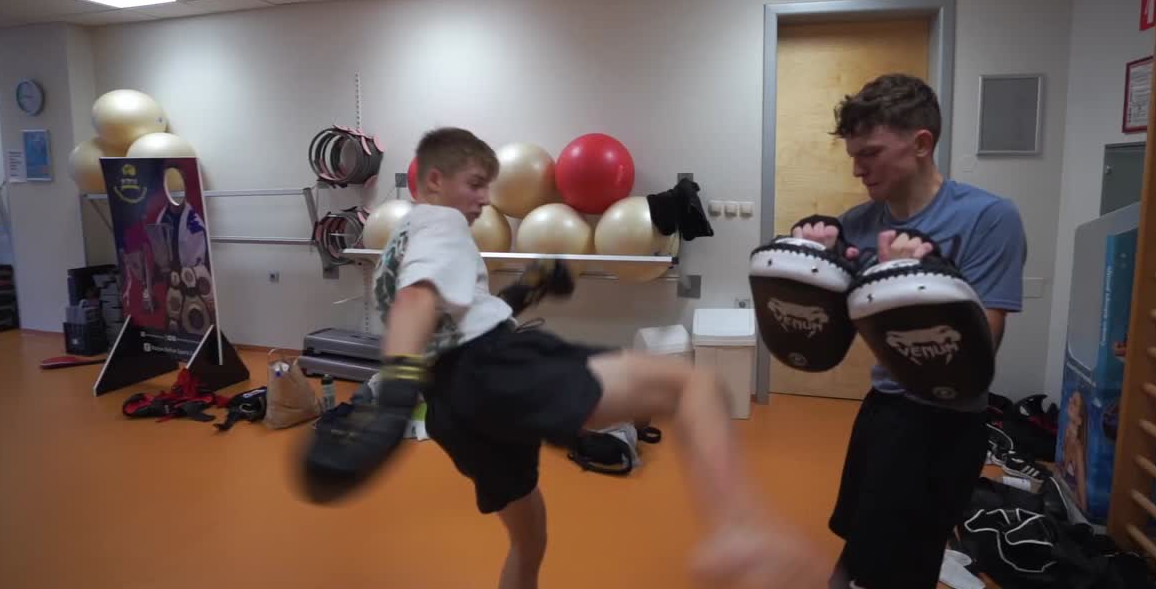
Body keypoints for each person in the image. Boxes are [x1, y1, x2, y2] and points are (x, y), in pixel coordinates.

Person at [303, 127, 825, 589]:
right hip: (494, 372)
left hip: (454, 411)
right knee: (695, 387)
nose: (485, 199)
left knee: (528, 544)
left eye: (489, 185)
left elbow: (445, 318)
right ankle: (737, 529)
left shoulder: (402, 238)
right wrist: (394, 393)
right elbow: (420, 300)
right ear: (434, 181)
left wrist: (523, 293)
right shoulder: (440, 222)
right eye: (475, 184)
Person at [793, 74, 1027, 588]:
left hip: (943, 424)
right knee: (859, 539)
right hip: (883, 409)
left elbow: (977, 354)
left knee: (903, 565)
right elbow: (822, 339)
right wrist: (809, 266)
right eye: (853, 154)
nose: (857, 169)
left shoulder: (989, 219)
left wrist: (911, 285)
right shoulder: (857, 223)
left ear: (922, 144)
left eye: (871, 153)